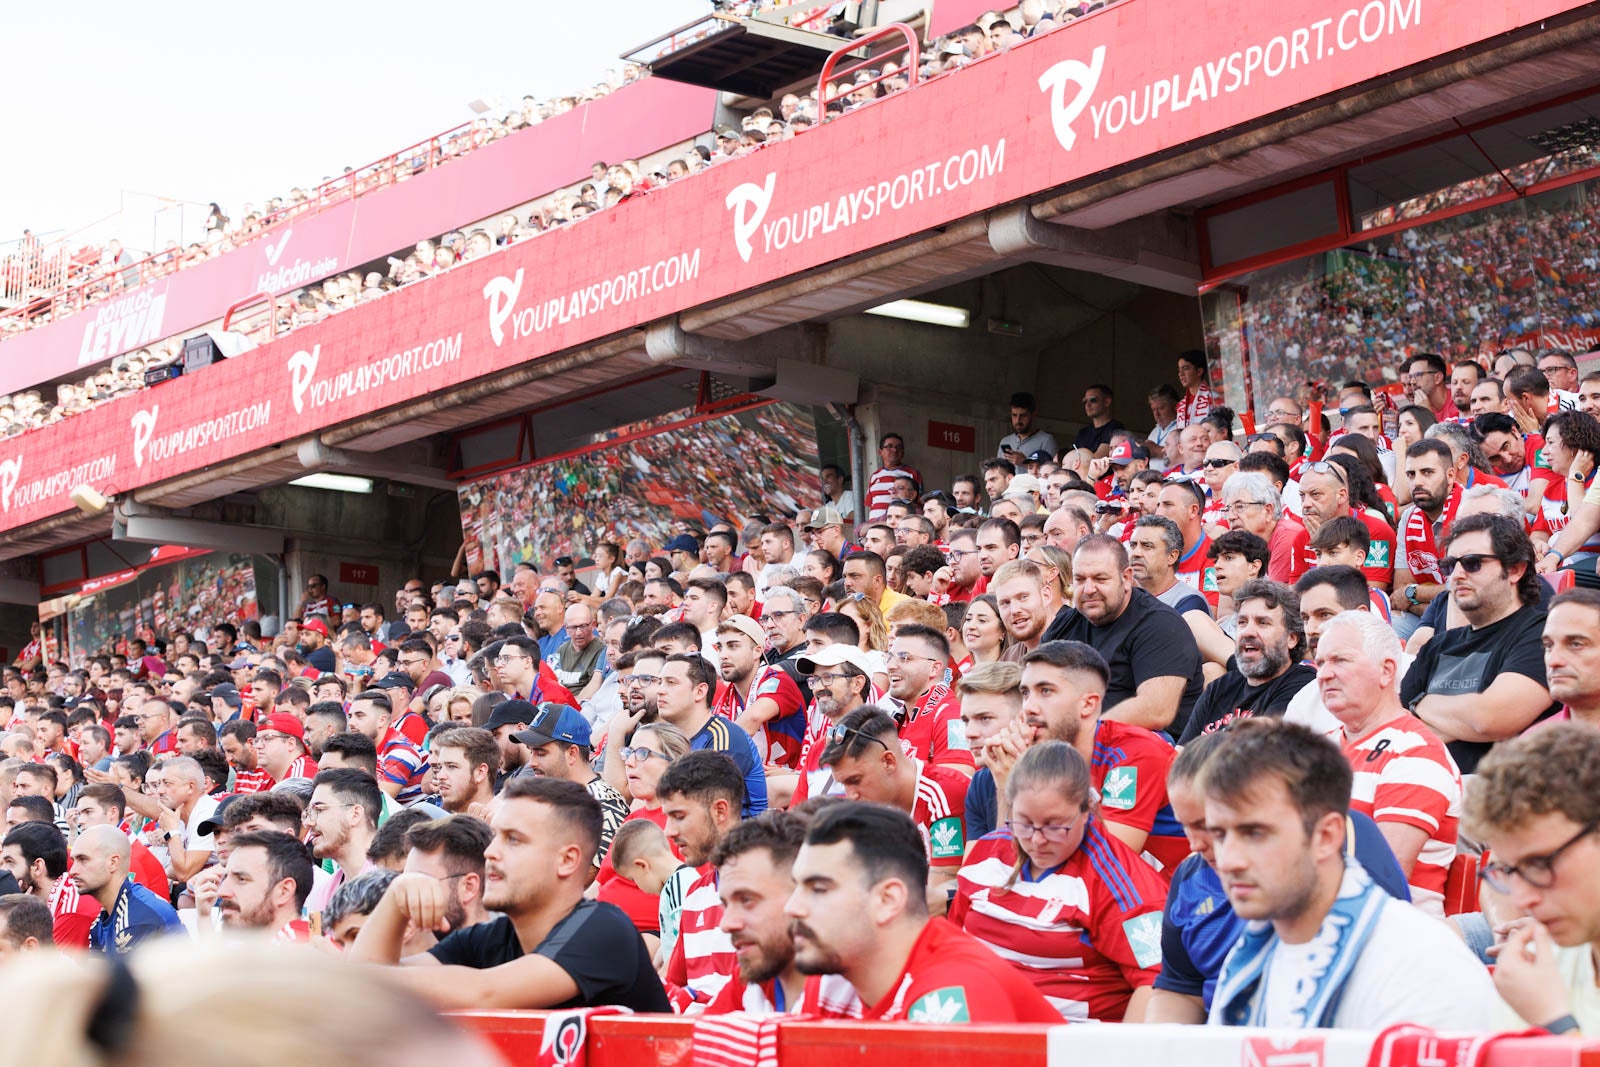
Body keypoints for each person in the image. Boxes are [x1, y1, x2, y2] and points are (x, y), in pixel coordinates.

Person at [1203, 718, 1493, 1028]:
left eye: (1255, 834)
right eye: (1219, 835)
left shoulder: (1420, 965)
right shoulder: (1247, 956)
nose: (1228, 861)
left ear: (1327, 837)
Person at [1145, 730, 1412, 1023]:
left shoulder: (1338, 855)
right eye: (1185, 826)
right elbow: (1179, 989)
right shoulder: (1190, 878)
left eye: (1208, 826)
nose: (1194, 844)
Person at [351, 775, 669, 1011]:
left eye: (513, 839)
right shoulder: (489, 938)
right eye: (495, 837)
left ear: (567, 860)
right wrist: (394, 899)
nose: (491, 852)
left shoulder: (603, 928)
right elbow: (362, 991)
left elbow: (483, 991)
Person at [788, 801, 1061, 1022]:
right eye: (796, 887)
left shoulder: (954, 996)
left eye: (819, 889)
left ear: (888, 900)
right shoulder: (834, 975)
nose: (793, 908)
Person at [952, 741, 1166, 1021]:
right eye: (1024, 823)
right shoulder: (984, 856)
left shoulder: (1124, 885)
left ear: (1087, 810)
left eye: (1054, 826)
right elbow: (952, 946)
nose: (1037, 840)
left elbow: (1156, 984)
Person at [1467, 725, 1600, 1035]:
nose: (1521, 900)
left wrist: (1554, 1023)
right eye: (1510, 871)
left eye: (1540, 864)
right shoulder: (1537, 971)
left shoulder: (1538, 992)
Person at [1401, 514, 1557, 773]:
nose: (1457, 576)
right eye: (1450, 565)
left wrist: (1420, 703)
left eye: (1472, 563)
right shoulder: (1437, 646)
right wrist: (1465, 720)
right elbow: (1395, 725)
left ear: (1515, 569)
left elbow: (1490, 718)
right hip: (1422, 782)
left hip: (1496, 794)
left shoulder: (1542, 633)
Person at [1056, 535, 1204, 733]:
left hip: (1146, 743)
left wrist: (1081, 733)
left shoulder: (1160, 624)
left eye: (1100, 579)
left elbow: (1156, 711)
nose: (1089, 589)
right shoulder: (1065, 624)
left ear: (1126, 578)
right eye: (1080, 579)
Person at [818, 707, 970, 893]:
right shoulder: (876, 804)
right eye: (843, 784)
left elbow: (936, 900)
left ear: (888, 761)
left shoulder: (942, 794)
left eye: (855, 781)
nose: (850, 796)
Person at [703, 811, 818, 1015]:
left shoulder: (849, 992)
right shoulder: (754, 976)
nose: (727, 923)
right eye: (725, 904)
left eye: (747, 900)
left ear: (805, 896)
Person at [657, 751, 746, 1008]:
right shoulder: (696, 893)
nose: (669, 832)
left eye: (679, 816)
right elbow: (674, 988)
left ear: (720, 811)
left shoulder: (775, 888)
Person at [1179, 580, 1316, 743]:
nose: (1248, 632)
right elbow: (1181, 755)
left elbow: (1258, 750)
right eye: (1242, 622)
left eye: (1263, 623)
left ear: (1291, 638)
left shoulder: (1302, 683)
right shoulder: (1220, 687)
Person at [513, 703, 628, 873]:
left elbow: (584, 879)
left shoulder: (602, 803)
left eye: (541, 753)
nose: (532, 762)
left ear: (572, 753)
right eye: (531, 752)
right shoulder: (551, 797)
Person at [655, 653, 767, 816]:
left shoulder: (725, 739)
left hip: (737, 838)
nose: (659, 691)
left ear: (700, 691)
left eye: (671, 683)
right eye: (660, 682)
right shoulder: (668, 737)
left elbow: (703, 809)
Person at [72, 825, 183, 954]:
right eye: (73, 861)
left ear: (113, 863)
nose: (73, 871)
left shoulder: (140, 918)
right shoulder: (102, 920)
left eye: (83, 860)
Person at [191, 830, 313, 939]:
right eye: (225, 877)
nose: (221, 892)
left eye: (241, 879)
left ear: (284, 891)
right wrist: (204, 918)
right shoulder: (259, 951)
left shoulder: (299, 955)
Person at [0, 823, 99, 947]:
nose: (3, 871)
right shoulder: (54, 897)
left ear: (37, 867)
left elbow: (47, 965)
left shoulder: (71, 910)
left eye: (10, 862)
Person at [998, 391, 1059, 467]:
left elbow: (1053, 474)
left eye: (1023, 415)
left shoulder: (1046, 441)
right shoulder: (1005, 441)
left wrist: (1024, 462)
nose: (1018, 420)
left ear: (1033, 415)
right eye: (1014, 415)